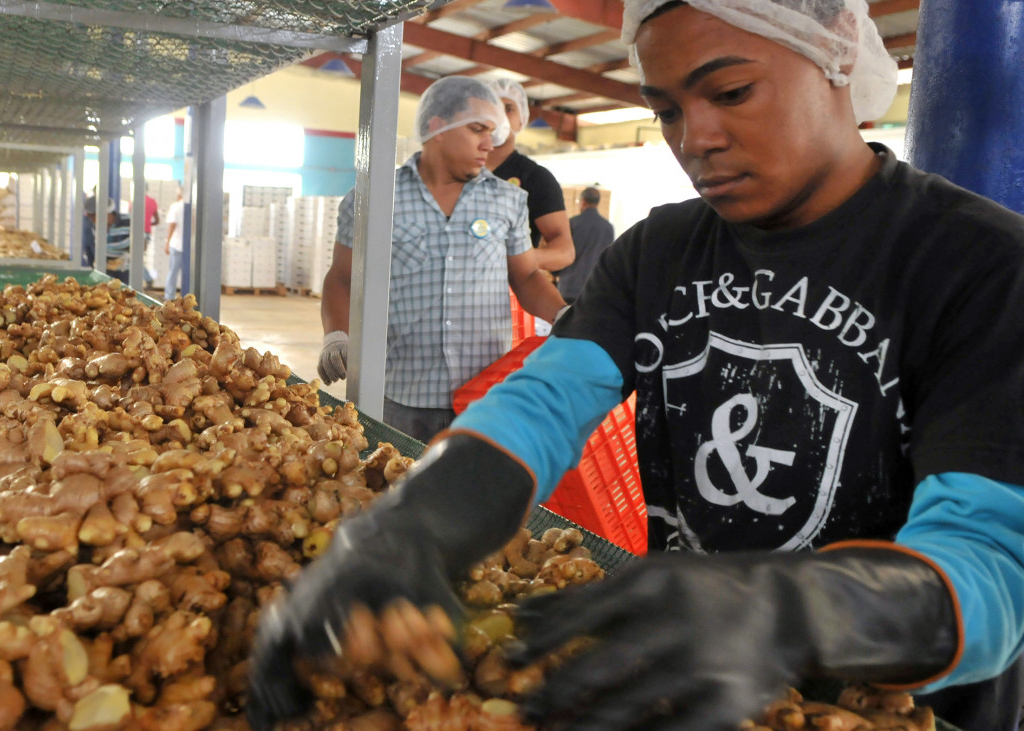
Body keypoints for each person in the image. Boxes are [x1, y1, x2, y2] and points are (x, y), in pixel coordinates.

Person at [248, 1, 1024, 729]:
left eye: (731, 92)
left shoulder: (981, 265)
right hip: (686, 682)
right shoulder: (660, 251)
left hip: (903, 706)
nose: (696, 139)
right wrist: (416, 520)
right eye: (667, 110)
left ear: (837, 53)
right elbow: (543, 402)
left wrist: (793, 611)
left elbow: (991, 566)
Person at [316, 75, 566, 441]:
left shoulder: (508, 200)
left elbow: (527, 277)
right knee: (394, 472)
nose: (489, 143)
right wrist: (337, 335)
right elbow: (342, 277)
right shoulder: (376, 197)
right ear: (438, 128)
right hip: (398, 393)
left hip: (483, 397)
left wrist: (563, 315)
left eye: (491, 132)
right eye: (477, 130)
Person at [486, 78, 575, 273]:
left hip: (509, 287)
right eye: (492, 108)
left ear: (521, 121)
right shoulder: (459, 172)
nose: (499, 116)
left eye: (508, 109)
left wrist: (512, 258)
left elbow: (564, 251)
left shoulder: (535, 178)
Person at [554, 186, 615, 302]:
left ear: (582, 202)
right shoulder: (608, 228)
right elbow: (609, 260)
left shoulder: (572, 223)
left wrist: (554, 272)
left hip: (569, 287)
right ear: (597, 203)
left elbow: (560, 252)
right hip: (595, 289)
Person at [82, 196, 133, 282]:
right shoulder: (94, 226)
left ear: (106, 213)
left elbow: (142, 243)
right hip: (104, 269)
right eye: (90, 217)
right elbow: (89, 246)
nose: (92, 220)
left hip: (125, 269)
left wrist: (128, 254)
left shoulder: (128, 221)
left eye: (93, 216)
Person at [164, 187, 186, 301]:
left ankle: (169, 297)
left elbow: (172, 225)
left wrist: (167, 242)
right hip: (189, 248)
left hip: (176, 245)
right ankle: (187, 298)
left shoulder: (176, 206)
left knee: (173, 272)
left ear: (178, 196)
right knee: (187, 274)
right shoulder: (193, 207)